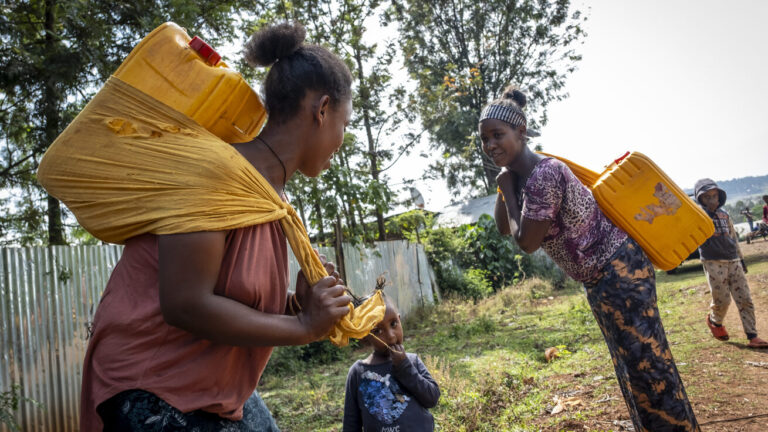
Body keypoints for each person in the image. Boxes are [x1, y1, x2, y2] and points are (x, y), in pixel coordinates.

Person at [80, 22, 355, 431]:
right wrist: (302, 327)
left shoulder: (271, 198)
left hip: (209, 390)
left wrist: (295, 306)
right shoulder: (214, 172)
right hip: (150, 385)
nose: (342, 139)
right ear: (322, 109)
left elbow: (231, 292)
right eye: (345, 125)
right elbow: (185, 302)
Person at [484, 86, 700, 431]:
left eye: (498, 135)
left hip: (620, 272)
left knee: (650, 368)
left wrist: (509, 190)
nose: (490, 145)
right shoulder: (522, 176)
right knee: (630, 367)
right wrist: (505, 184)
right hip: (601, 279)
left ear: (521, 132)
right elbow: (503, 228)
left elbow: (526, 241)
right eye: (485, 139)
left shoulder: (544, 174)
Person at [342, 287, 440, 432]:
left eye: (393, 324)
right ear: (364, 337)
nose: (391, 336)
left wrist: (405, 367)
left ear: (400, 320)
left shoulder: (412, 361)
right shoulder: (358, 373)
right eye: (377, 331)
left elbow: (432, 398)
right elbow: (351, 424)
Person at [694, 179, 768, 349]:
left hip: (733, 259)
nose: (712, 200)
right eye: (707, 197)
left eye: (714, 196)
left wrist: (741, 260)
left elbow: (733, 237)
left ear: (720, 197)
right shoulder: (698, 217)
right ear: (700, 200)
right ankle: (715, 321)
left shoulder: (725, 214)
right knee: (723, 300)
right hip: (713, 261)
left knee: (745, 298)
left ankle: (753, 335)